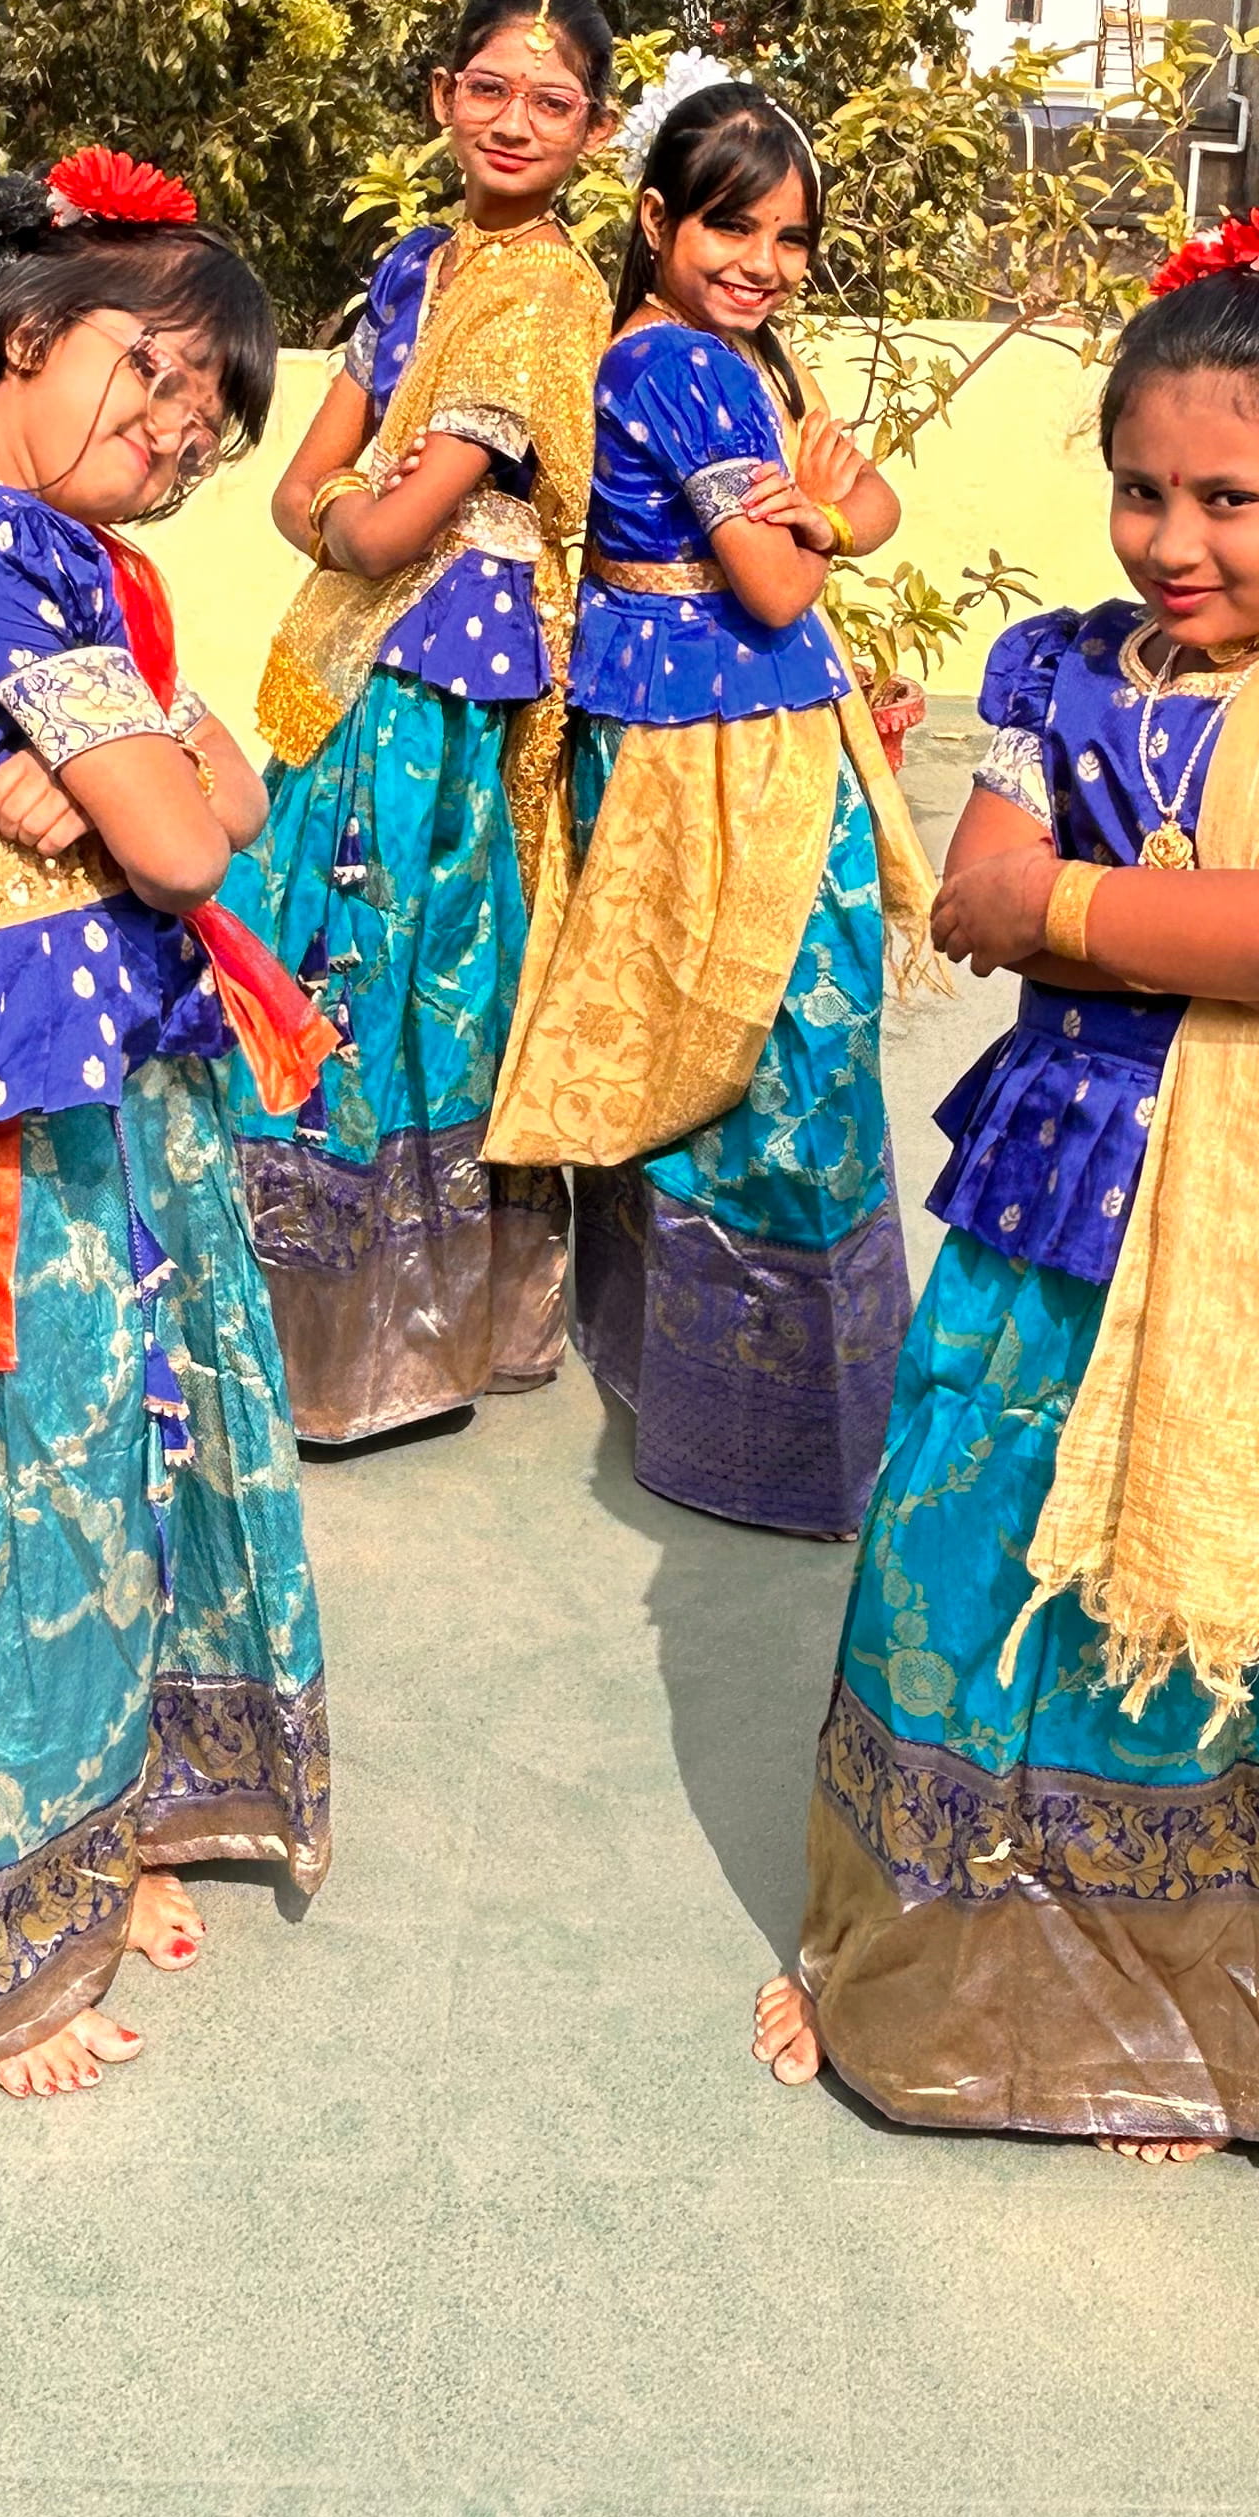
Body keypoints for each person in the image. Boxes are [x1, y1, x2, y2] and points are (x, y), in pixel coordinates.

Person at [753, 213, 1259, 2193]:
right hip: (1071, 1191)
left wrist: (1095, 926)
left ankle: (1184, 2016)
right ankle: (933, 1975)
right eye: (1139, 489)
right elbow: (985, 897)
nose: (1174, 539)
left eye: (1231, 499)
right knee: (985, 1571)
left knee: (1250, 1613)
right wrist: (1203, 935)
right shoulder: (1047, 662)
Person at [0, 148, 336, 2094]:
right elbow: (196, 827)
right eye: (160, 372)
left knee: (87, 1468)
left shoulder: (25, 547)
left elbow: (197, 799)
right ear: (28, 329)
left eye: (219, 410)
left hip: (76, 1059)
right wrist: (169, 778)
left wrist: (154, 771)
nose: (186, 430)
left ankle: (86, 1839)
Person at [488, 82, 936, 1536]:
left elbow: (866, 513)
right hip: (723, 744)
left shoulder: (742, 361)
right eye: (733, 226)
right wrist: (814, 519)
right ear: (657, 220)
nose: (763, 261)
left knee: (699, 1033)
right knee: (780, 1052)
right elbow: (785, 580)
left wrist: (821, 512)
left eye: (792, 238)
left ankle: (690, 1391)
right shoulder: (684, 367)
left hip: (708, 728)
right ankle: (780, 1440)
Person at [229, 0, 617, 1441]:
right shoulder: (414, 267)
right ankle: (305, 1330)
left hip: (454, 689)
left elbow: (375, 529)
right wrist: (352, 507)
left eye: (552, 100)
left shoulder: (541, 297)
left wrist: (351, 509)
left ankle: (399, 1346)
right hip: (356, 668)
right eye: (489, 90)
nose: (514, 122)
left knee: (408, 976)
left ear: (595, 127)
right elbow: (307, 489)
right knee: (318, 955)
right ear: (443, 97)